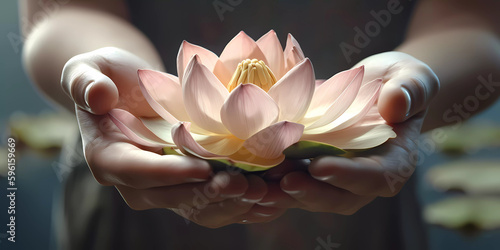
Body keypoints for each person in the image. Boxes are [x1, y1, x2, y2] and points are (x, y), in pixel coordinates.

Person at [20, 0, 500, 249]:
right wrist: (123, 95)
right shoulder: (145, 114)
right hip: (136, 183)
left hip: (362, 196)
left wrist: (409, 82)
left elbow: (471, 21)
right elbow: (64, 12)